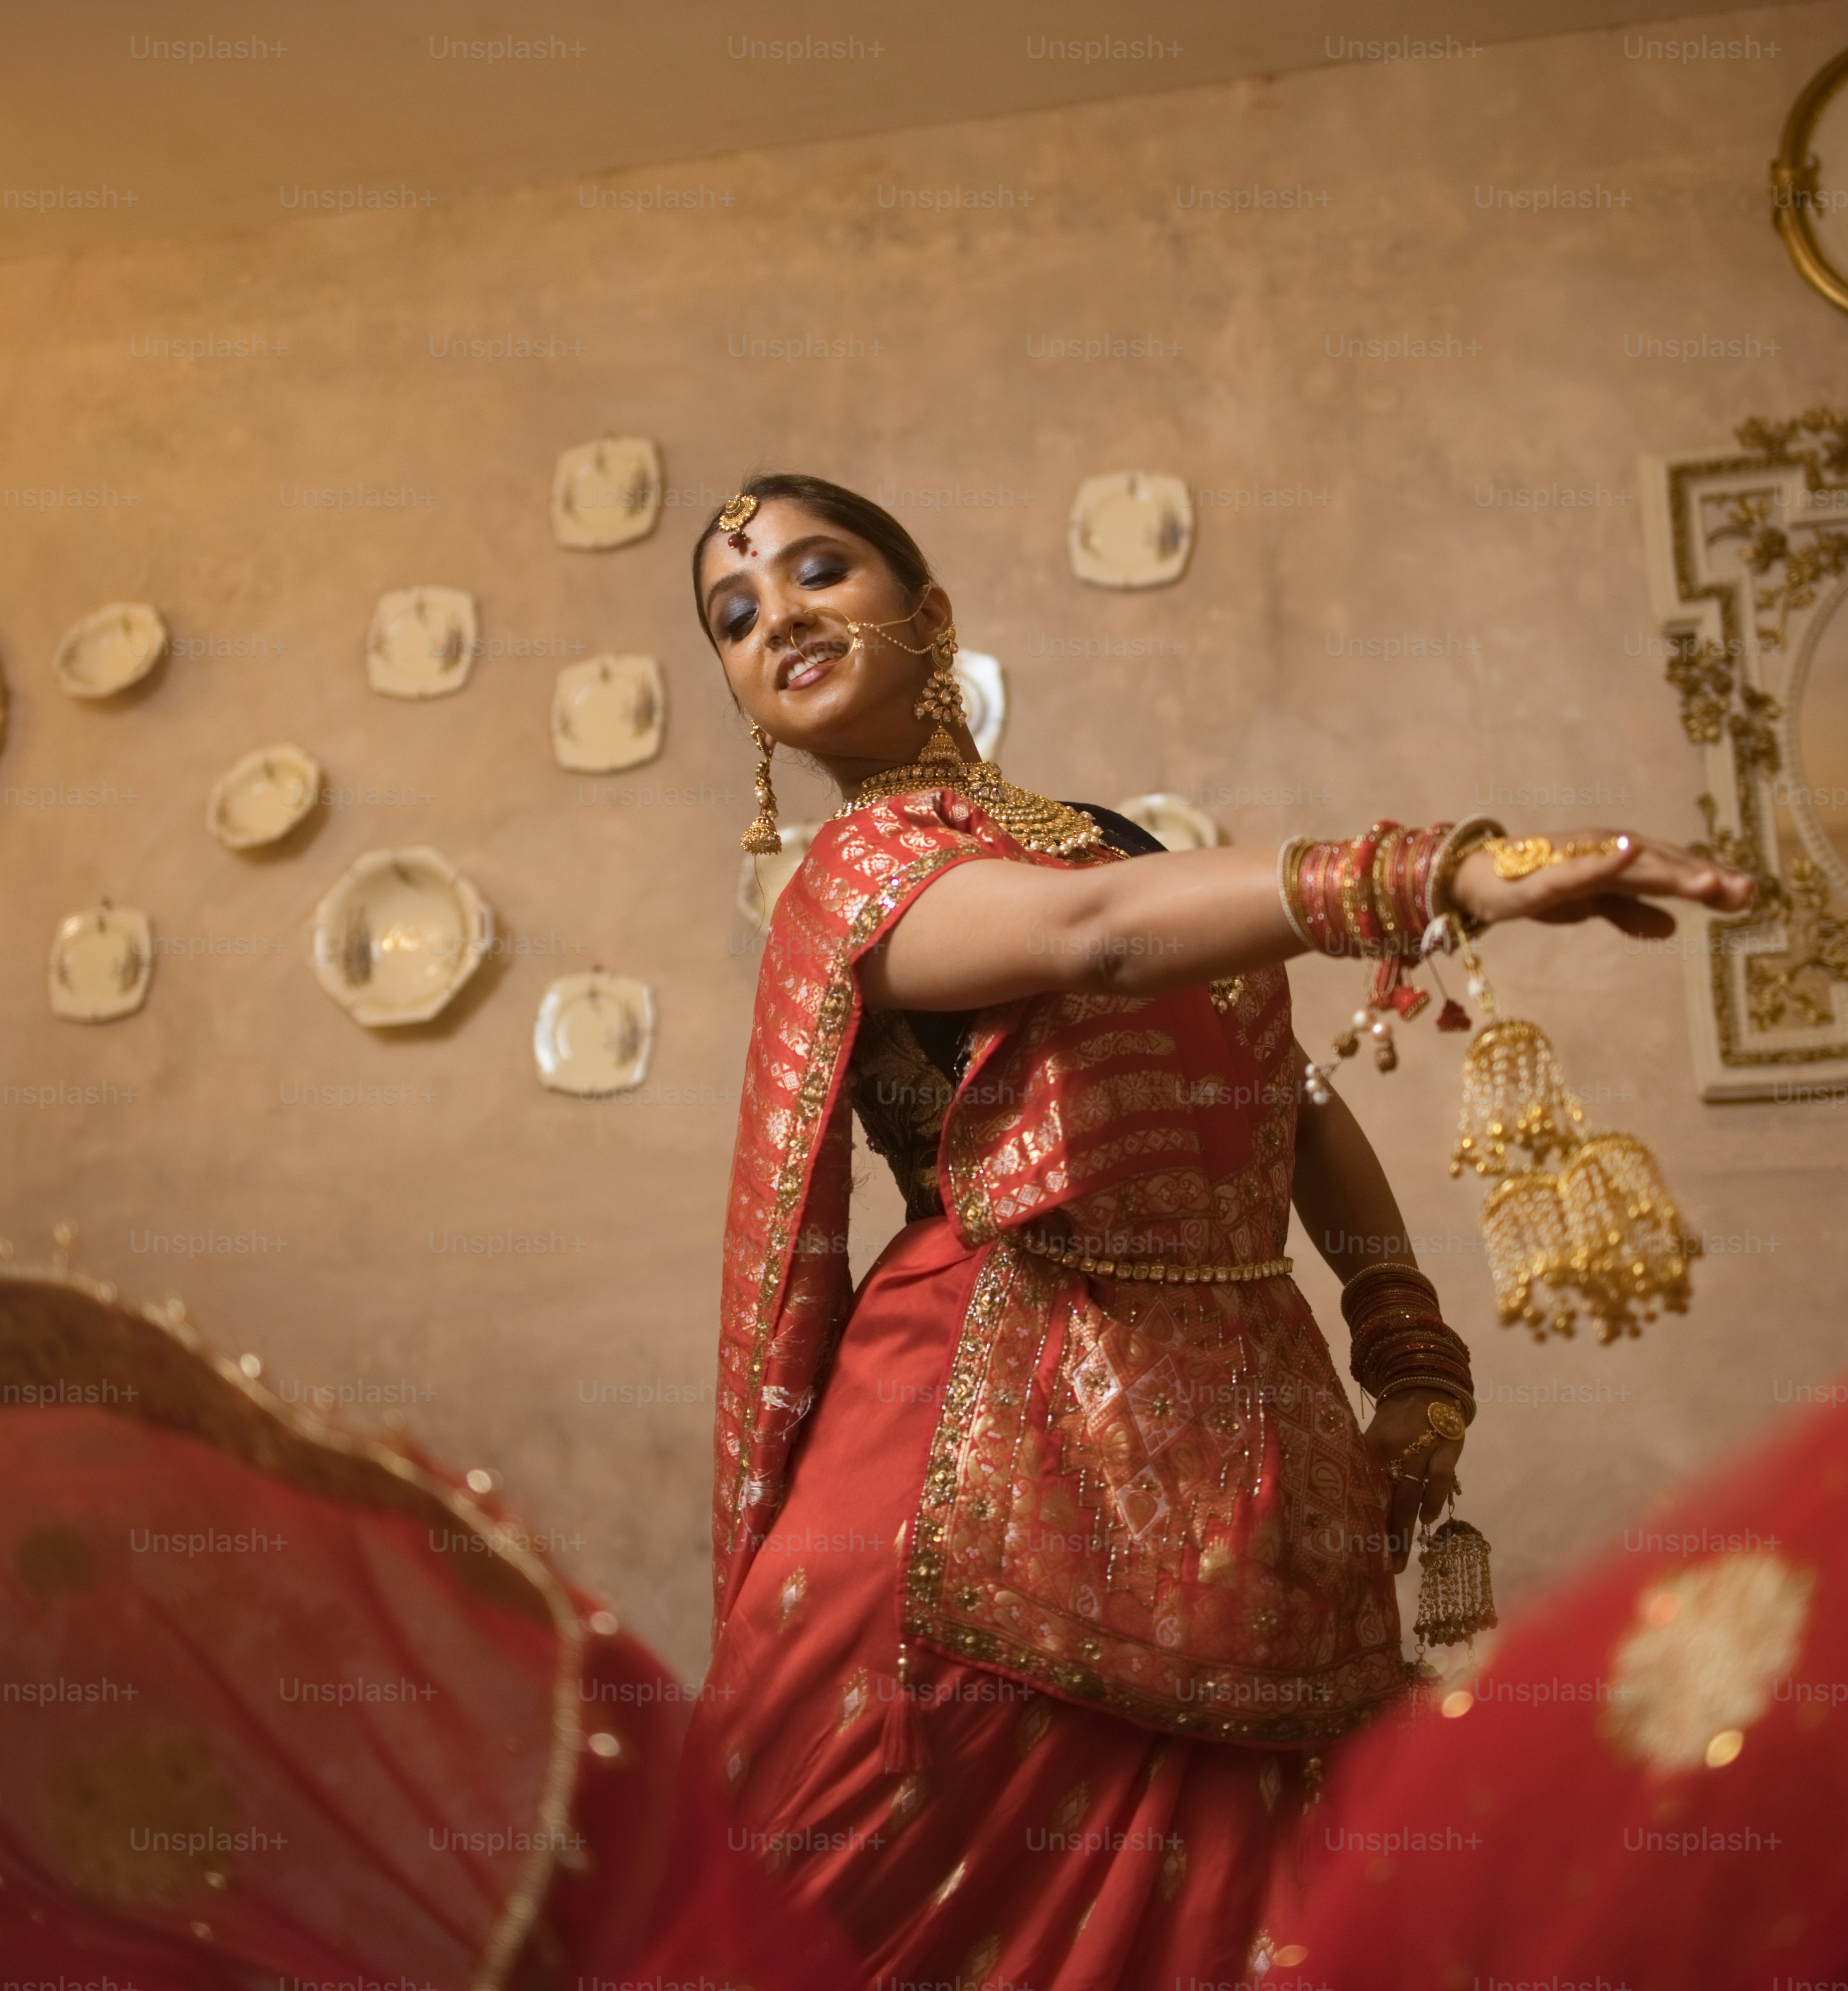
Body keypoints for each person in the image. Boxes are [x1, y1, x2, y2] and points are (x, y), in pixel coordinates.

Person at [686, 471, 1754, 1984]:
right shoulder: (852, 874)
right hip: (974, 1440)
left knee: (1248, 1909)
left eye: (819, 571)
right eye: (738, 616)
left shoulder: (1114, 837)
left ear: (929, 616)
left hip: (1257, 1432)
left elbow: (1300, 1104)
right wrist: (1440, 872)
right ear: (743, 696)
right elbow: (1093, 944)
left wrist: (1410, 1354)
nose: (780, 614)